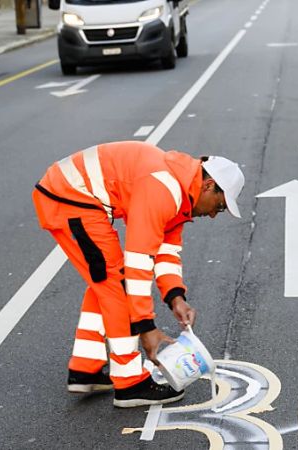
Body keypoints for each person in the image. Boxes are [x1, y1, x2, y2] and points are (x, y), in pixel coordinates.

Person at [32, 141, 245, 408]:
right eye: (220, 205)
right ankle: (130, 382)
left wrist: (176, 297)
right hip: (69, 197)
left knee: (106, 284)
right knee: (118, 286)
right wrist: (147, 328)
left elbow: (166, 253)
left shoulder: (181, 194)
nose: (215, 214)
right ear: (209, 185)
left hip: (74, 196)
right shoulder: (164, 188)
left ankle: (85, 368)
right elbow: (139, 262)